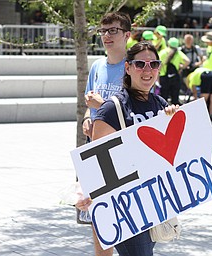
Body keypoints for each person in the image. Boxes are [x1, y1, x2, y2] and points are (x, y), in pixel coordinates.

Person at [77, 41, 179, 256]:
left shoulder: (160, 104)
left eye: (153, 64)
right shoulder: (112, 108)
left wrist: (175, 120)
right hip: (124, 203)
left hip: (153, 201)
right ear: (128, 67)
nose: (147, 70)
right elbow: (96, 159)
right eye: (140, 64)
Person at [81, 11, 131, 256]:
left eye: (114, 31)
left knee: (127, 224)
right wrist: (88, 118)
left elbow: (134, 114)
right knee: (100, 223)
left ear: (127, 35)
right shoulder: (97, 66)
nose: (107, 36)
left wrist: (101, 107)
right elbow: (90, 103)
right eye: (103, 31)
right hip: (95, 153)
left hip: (123, 156)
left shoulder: (134, 68)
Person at [159, 37, 190, 105]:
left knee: (164, 98)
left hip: (164, 77)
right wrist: (181, 68)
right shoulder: (178, 53)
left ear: (168, 43)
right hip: (175, 77)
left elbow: (159, 65)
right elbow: (187, 61)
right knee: (175, 99)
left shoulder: (163, 52)